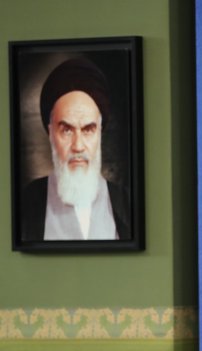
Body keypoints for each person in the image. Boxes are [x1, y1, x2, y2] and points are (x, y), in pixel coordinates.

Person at [21, 57, 129, 241]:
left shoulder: (127, 204)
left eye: (88, 130)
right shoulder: (25, 204)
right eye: (67, 130)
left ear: (99, 133)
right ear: (50, 133)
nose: (78, 146)